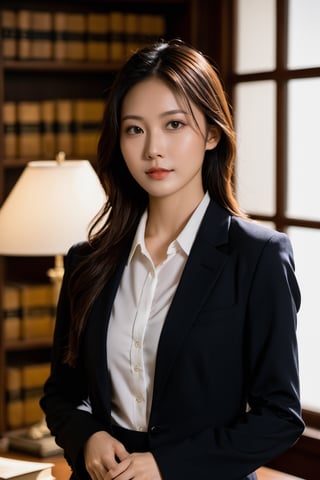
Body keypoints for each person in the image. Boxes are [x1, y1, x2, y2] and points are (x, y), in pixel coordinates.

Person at [40, 39, 304, 480]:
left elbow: (279, 417)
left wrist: (166, 466)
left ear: (213, 133)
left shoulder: (258, 257)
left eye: (174, 124)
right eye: (135, 129)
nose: (153, 150)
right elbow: (61, 395)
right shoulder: (88, 261)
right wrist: (88, 436)